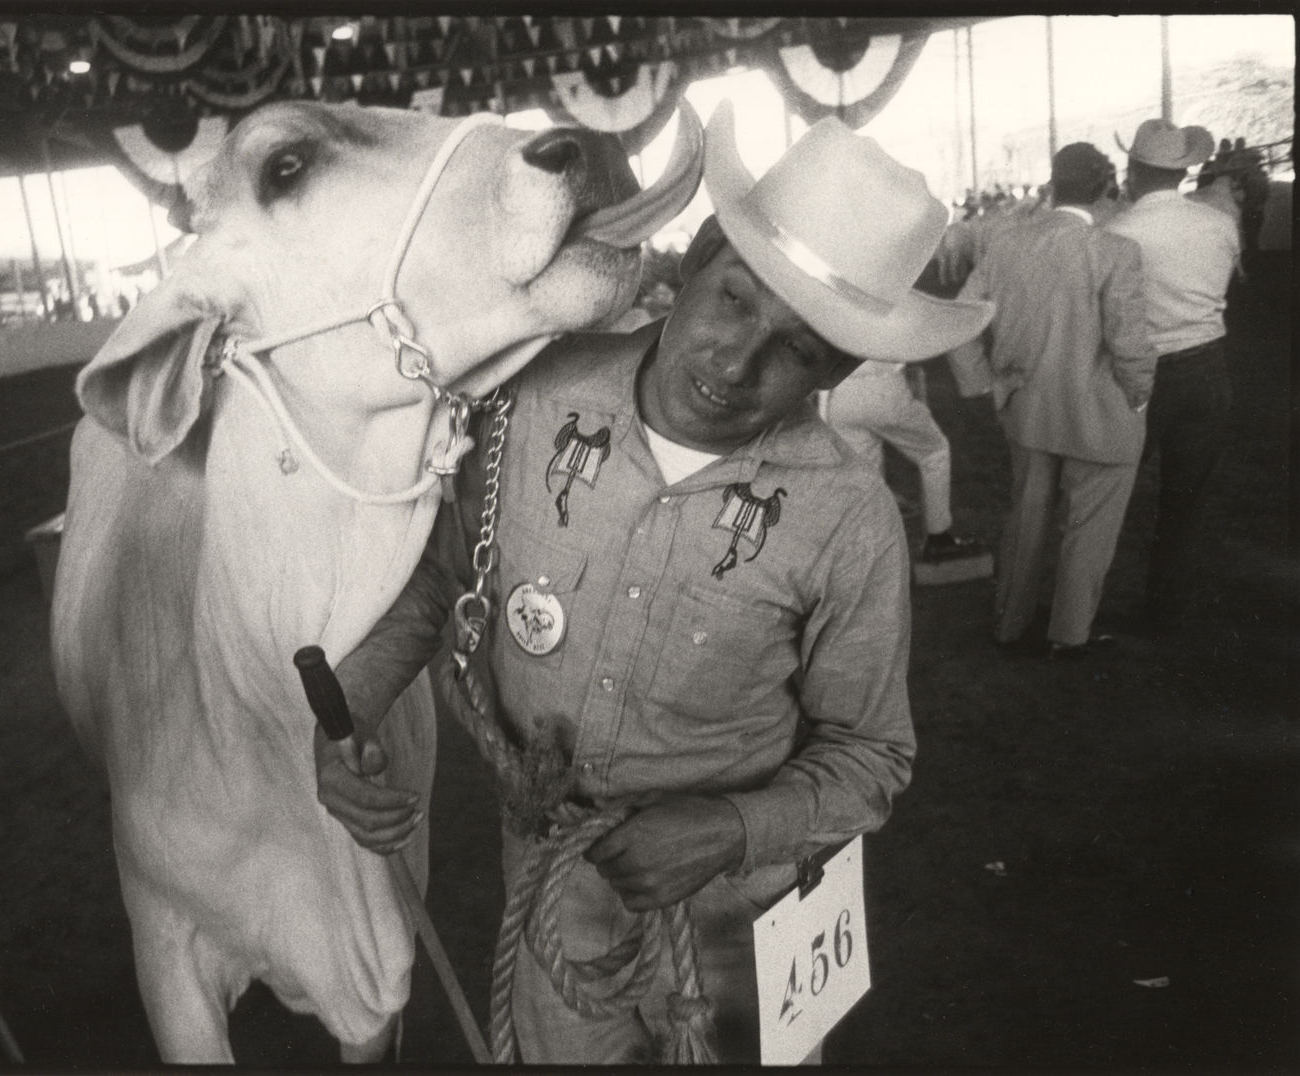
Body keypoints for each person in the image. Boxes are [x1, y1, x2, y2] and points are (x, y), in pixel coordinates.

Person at [314, 108, 993, 1063]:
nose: (737, 361)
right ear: (696, 259)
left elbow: (871, 756)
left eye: (798, 349)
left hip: (739, 925)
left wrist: (725, 829)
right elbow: (445, 581)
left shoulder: (849, 518)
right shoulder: (530, 401)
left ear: (839, 365)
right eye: (732, 301)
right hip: (552, 896)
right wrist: (352, 707)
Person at [948, 142, 1155, 658]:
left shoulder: (1006, 246)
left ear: (1053, 184)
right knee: (1090, 529)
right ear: (1106, 188)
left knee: (1027, 517)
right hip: (1101, 415)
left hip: (1027, 407)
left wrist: (983, 387)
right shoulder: (1116, 252)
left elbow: (958, 323)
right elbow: (1128, 344)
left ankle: (1008, 622)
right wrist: (1139, 395)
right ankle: (1069, 634)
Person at [1106, 119, 1243, 634]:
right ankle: (1166, 607)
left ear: (1134, 170)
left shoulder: (1118, 232)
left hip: (1143, 370)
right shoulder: (1217, 225)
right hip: (1207, 364)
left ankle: (1083, 596)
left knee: (1109, 489)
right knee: (1185, 499)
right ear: (1183, 173)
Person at [820, 358, 989, 572]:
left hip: (840, 396)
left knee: (865, 478)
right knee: (934, 452)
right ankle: (938, 537)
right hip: (884, 387)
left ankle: (864, 557)